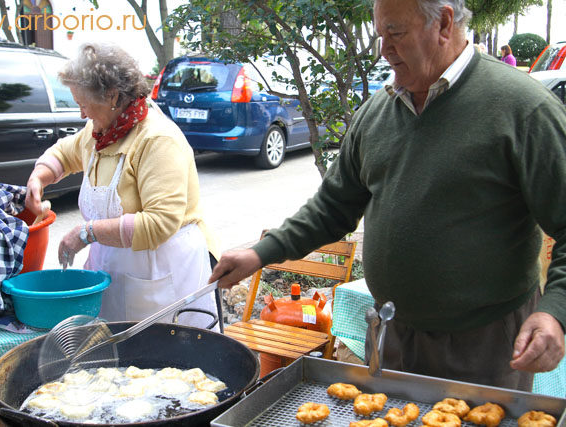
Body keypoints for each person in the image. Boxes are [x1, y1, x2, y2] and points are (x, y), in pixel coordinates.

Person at [210, 0, 566, 391]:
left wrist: (556, 313)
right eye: (381, 35)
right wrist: (260, 253)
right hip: (392, 335)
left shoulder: (524, 110)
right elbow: (333, 206)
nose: (384, 49)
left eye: (395, 33)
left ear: (444, 23)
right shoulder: (377, 113)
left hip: (486, 345)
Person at [25, 42, 219, 329]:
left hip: (162, 271)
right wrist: (38, 177)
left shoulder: (157, 140)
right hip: (115, 268)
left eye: (84, 104)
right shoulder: (101, 129)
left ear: (112, 96)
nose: (82, 115)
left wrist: (87, 232)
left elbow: (160, 222)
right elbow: (65, 153)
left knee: (163, 360)